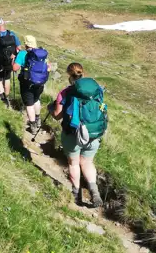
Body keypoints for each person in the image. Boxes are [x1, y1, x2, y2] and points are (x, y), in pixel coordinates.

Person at [50, 62, 108, 208]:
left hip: (73, 133)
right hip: (93, 132)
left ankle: (76, 195)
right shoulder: (96, 90)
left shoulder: (65, 92)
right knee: (87, 162)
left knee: (74, 163)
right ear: (83, 73)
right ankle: (95, 193)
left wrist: (51, 107)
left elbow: (57, 116)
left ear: (69, 76)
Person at [12, 35, 51, 133]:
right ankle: (38, 120)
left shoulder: (23, 53)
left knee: (29, 104)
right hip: (40, 83)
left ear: (26, 44)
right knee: (36, 99)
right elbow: (48, 67)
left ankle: (33, 126)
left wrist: (13, 58)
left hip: (27, 83)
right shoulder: (42, 53)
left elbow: (15, 68)